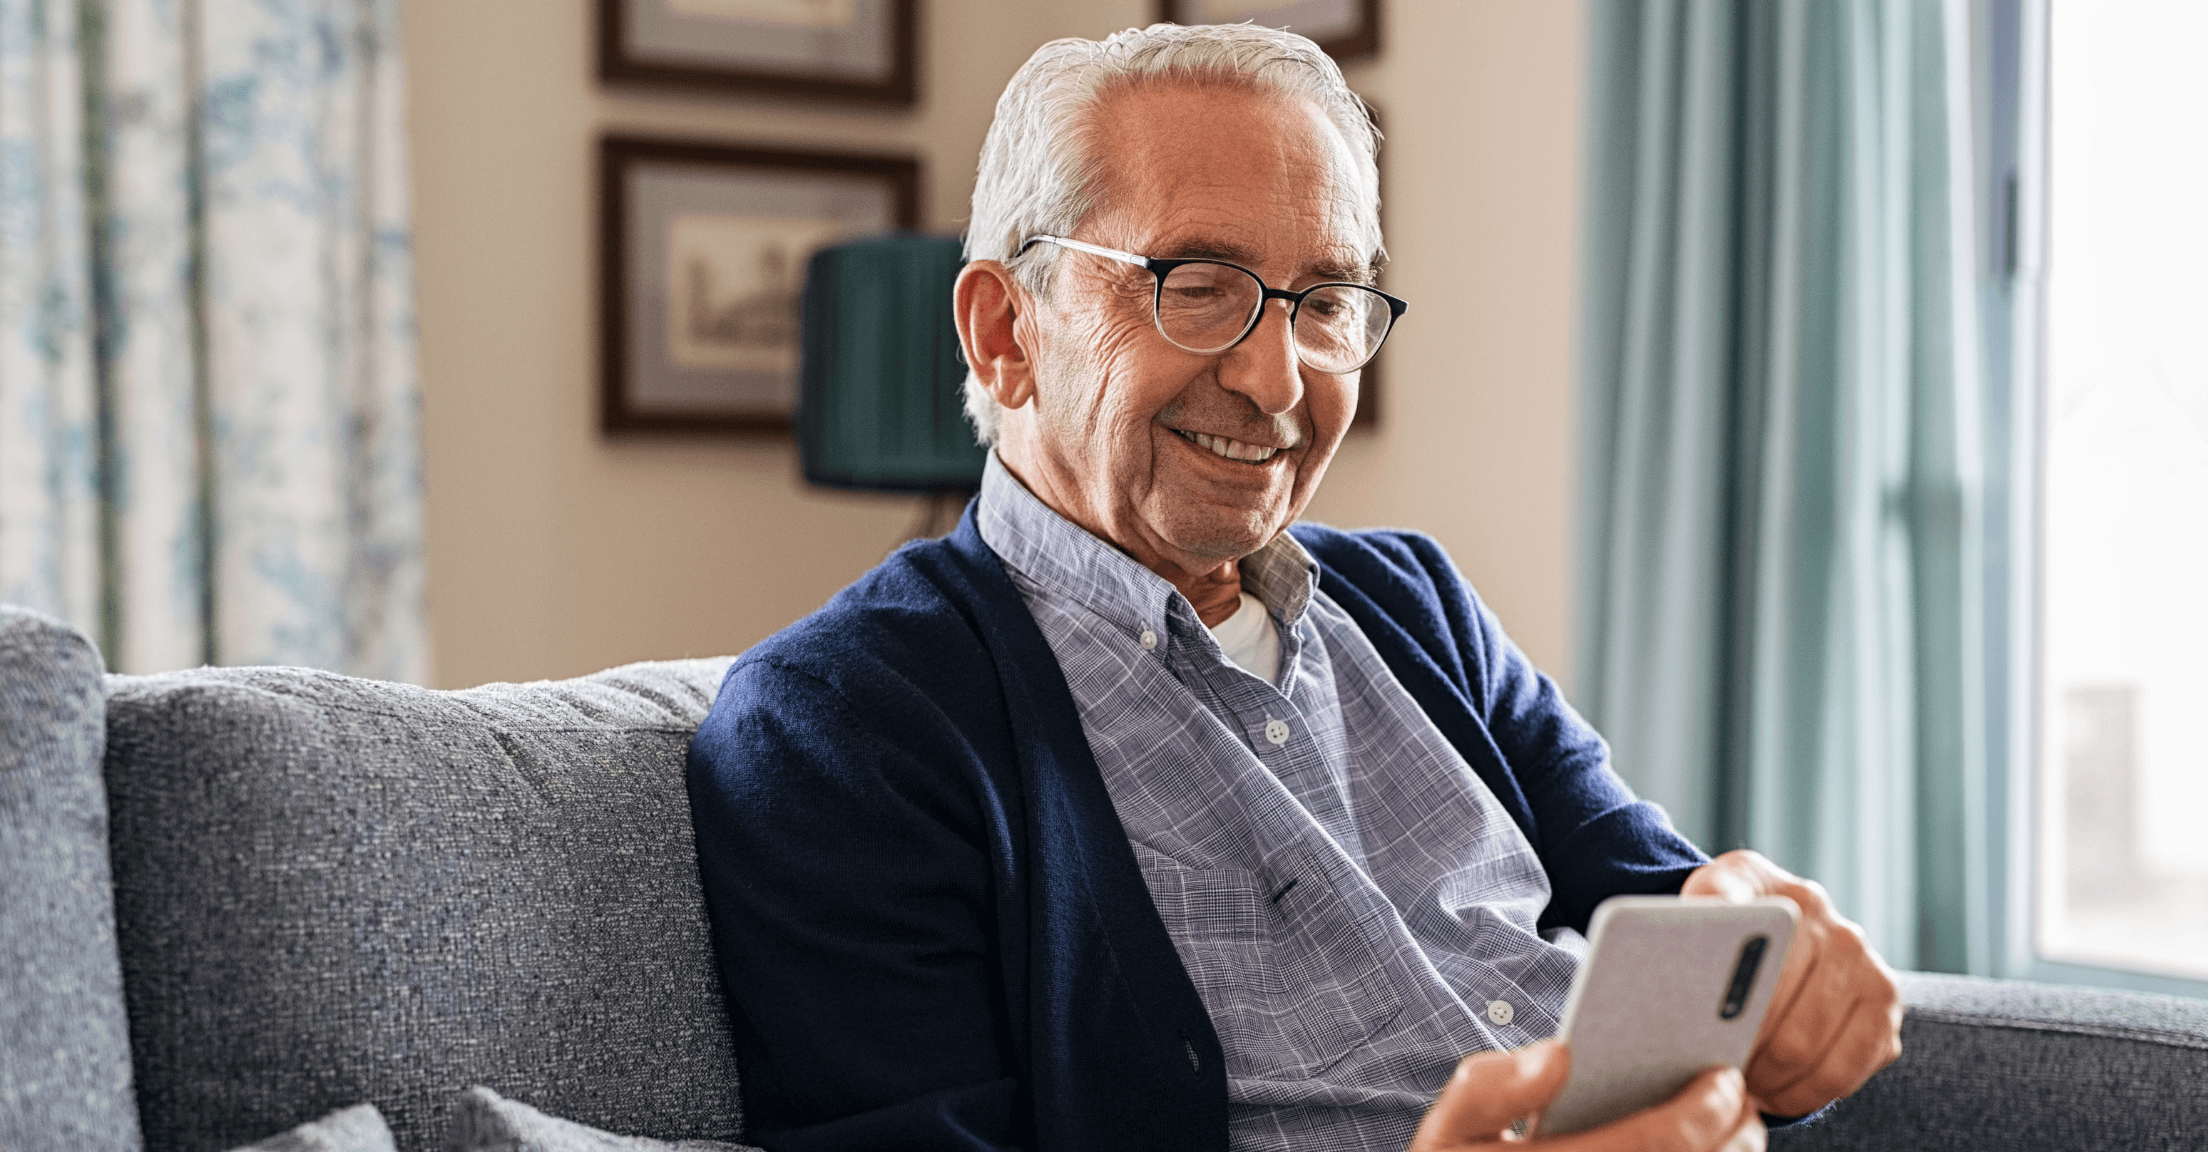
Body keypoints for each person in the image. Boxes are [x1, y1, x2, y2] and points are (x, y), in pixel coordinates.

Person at [686, 23, 1901, 1152]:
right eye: (1198, 283)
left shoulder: (1414, 601)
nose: (1278, 378)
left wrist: (1760, 940)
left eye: (1324, 302)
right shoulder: (837, 726)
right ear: (1007, 332)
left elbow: (1661, 899)